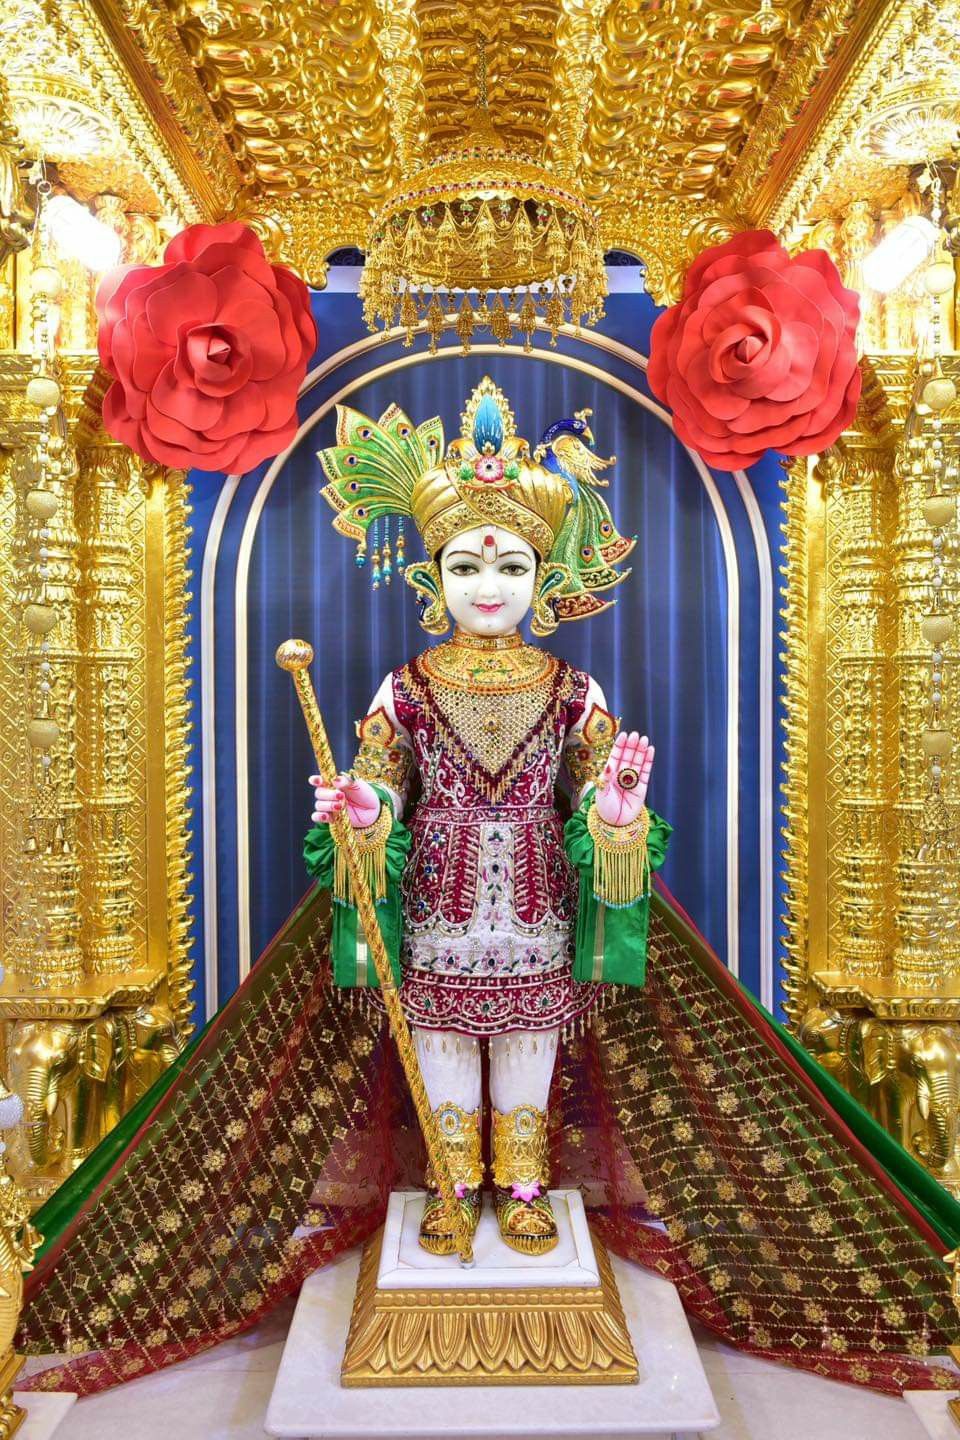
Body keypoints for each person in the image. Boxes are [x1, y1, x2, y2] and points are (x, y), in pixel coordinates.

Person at [306, 376, 669, 1254]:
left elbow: (592, 800)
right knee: (438, 1044)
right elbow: (382, 786)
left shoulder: (575, 689)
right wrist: (363, 807)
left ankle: (524, 1185)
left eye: (511, 567)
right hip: (440, 899)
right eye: (467, 566)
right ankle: (453, 1182)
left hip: (539, 901)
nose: (490, 585)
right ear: (435, 581)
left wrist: (615, 811)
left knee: (525, 1049)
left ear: (542, 579)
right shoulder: (407, 686)